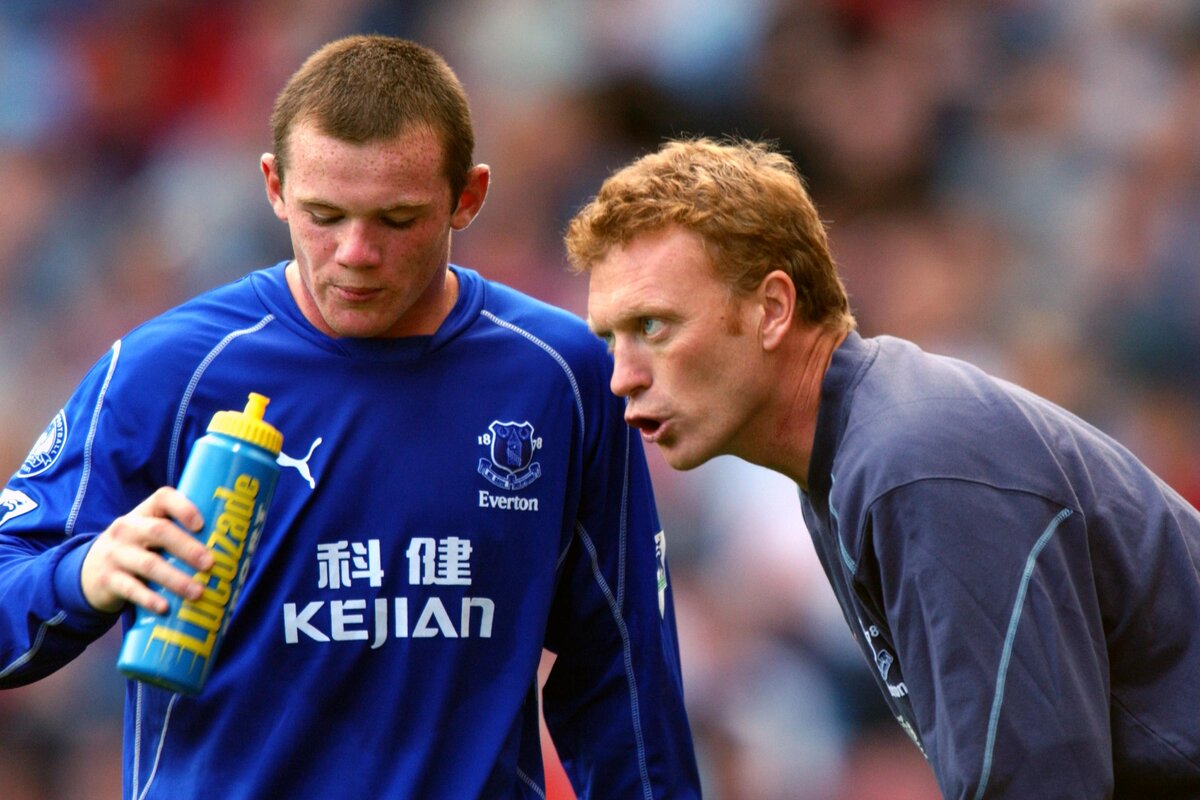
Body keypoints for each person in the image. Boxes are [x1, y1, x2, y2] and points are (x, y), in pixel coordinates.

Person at [0, 35, 701, 799]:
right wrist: (84, 573)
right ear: (274, 187)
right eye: (324, 215)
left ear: (468, 197)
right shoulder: (169, 371)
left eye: (397, 219)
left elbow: (625, 674)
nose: (355, 252)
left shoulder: (560, 376)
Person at [565, 136, 1200, 799]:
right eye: (611, 339)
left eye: (654, 327)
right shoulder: (854, 449)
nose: (621, 377)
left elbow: (1036, 786)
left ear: (773, 309)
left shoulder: (915, 463)